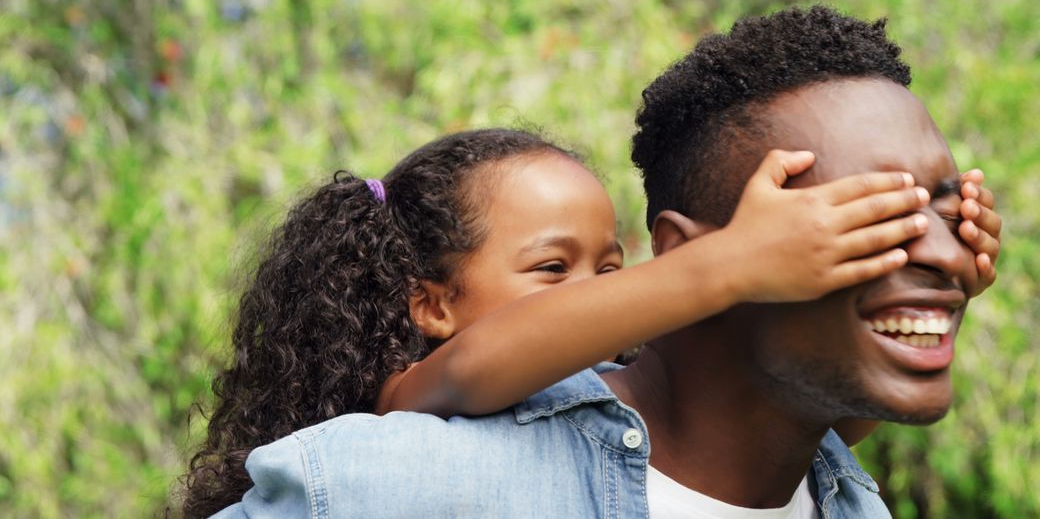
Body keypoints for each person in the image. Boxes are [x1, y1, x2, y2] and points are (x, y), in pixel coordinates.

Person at [211, 6, 1001, 518]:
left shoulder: (841, 491)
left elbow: (835, 400)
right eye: (865, 219)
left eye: (941, 203)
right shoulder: (405, 481)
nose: (937, 244)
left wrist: (938, 282)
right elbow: (458, 376)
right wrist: (726, 268)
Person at [184, 125, 936, 517]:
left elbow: (821, 421)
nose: (595, 294)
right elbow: (479, 366)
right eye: (552, 268)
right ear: (433, 305)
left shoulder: (621, 401)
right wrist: (728, 263)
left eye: (608, 268)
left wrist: (930, 267)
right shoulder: (418, 417)